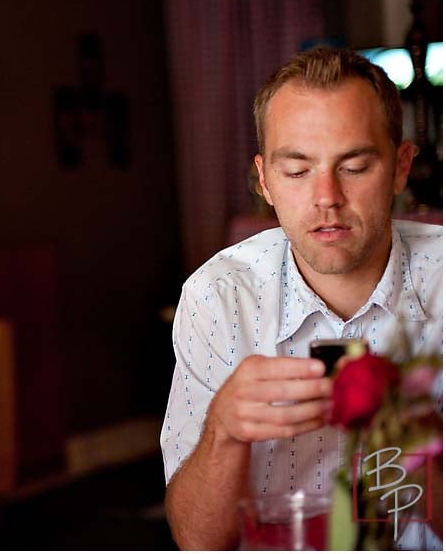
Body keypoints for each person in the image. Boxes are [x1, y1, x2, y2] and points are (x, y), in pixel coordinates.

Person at [161, 48, 443, 549]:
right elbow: (198, 542)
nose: (326, 197)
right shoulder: (218, 298)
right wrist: (224, 428)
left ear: (401, 167)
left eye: (354, 167)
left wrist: (425, 442)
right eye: (297, 172)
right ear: (264, 179)